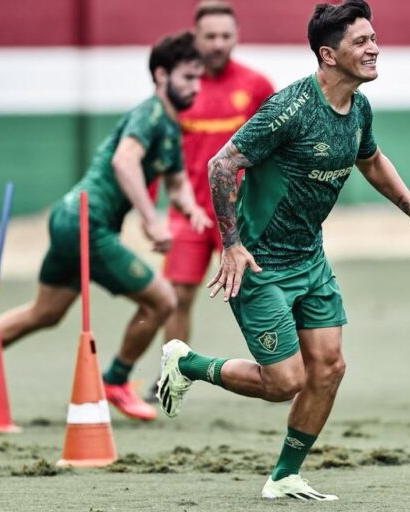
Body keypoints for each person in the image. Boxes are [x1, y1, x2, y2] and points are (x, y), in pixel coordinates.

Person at [155, 0, 410, 501]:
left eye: (373, 38)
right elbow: (222, 166)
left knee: (331, 368)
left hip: (310, 259)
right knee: (285, 382)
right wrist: (230, 245)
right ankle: (186, 364)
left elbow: (372, 159)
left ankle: (285, 476)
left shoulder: (358, 106)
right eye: (361, 42)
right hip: (260, 264)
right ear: (328, 54)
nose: (374, 48)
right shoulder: (287, 109)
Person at [0, 32, 211, 423]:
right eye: (187, 77)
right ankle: (116, 381)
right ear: (161, 75)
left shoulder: (168, 125)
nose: (195, 87)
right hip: (86, 223)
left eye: (199, 78)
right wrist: (151, 219)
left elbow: (177, 182)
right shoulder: (149, 115)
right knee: (163, 300)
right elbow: (124, 162)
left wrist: (192, 208)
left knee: (44, 313)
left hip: (68, 218)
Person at [150, 1, 275, 401]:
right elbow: (158, 150)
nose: (219, 43)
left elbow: (275, 148)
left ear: (235, 37)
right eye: (210, 36)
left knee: (262, 290)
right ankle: (169, 375)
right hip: (188, 217)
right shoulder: (183, 84)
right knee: (177, 297)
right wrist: (150, 212)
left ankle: (277, 371)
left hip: (241, 217)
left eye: (226, 35)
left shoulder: (256, 85)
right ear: (196, 37)